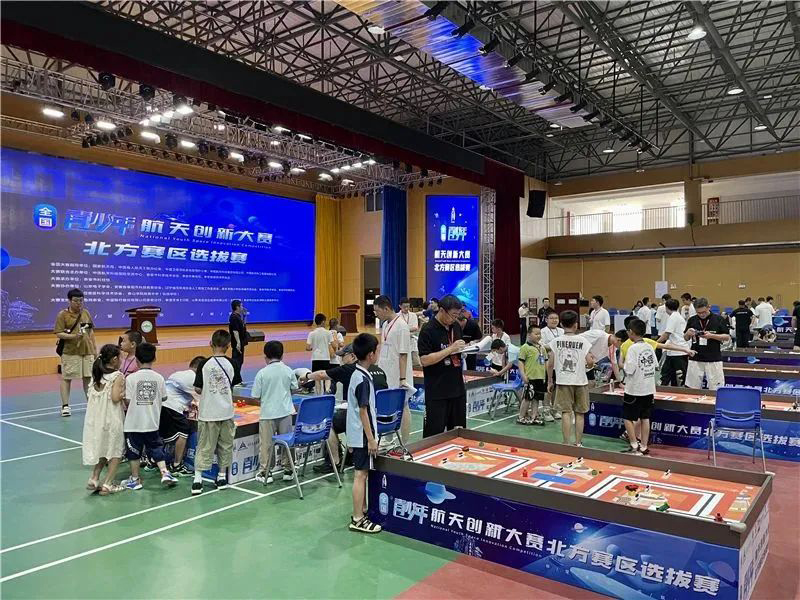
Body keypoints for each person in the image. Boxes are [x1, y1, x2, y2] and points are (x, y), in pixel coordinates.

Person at [308, 345, 387, 474]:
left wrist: (306, 376)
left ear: (353, 356)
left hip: (367, 421)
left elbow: (322, 374)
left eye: (343, 356)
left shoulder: (351, 370)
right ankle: (350, 455)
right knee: (346, 416)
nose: (340, 360)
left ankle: (334, 462)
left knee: (329, 422)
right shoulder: (380, 371)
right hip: (384, 419)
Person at [121, 343, 178, 490]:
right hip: (152, 422)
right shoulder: (159, 378)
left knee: (134, 451)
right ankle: (165, 473)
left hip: (134, 424)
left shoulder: (131, 378)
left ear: (137, 360)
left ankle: (135, 479)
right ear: (154, 358)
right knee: (156, 447)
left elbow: (127, 400)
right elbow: (164, 398)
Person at [192, 330, 236, 495]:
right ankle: (222, 476)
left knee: (204, 446)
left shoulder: (204, 364)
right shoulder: (233, 363)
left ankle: (198, 480)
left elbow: (198, 388)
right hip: (226, 412)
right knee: (226, 445)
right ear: (229, 345)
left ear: (211, 344)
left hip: (208, 412)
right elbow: (232, 385)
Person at [346, 333, 382, 534]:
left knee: (363, 474)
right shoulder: (362, 379)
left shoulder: (360, 374)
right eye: (377, 350)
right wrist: (371, 439)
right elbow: (363, 411)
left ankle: (363, 510)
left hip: (358, 434)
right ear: (370, 355)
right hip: (362, 435)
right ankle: (358, 519)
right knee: (360, 475)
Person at [417, 295, 466, 437]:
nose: (455, 319)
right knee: (434, 434)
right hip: (437, 391)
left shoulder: (455, 326)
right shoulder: (428, 330)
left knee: (458, 433)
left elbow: (456, 349)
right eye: (453, 315)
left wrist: (464, 350)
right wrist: (450, 349)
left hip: (457, 388)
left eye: (457, 315)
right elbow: (425, 360)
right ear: (442, 310)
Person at [546, 310, 595, 447]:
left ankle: (566, 443)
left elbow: (550, 364)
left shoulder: (555, 341)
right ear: (576, 325)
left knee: (566, 413)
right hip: (580, 382)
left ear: (561, 324)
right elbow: (590, 361)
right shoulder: (583, 341)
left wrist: (550, 381)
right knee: (580, 413)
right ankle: (578, 443)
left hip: (563, 382)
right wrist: (588, 365)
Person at [252, 341, 299, 485]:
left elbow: (256, 395)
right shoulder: (288, 370)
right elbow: (294, 388)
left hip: (267, 414)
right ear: (282, 355)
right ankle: (289, 469)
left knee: (266, 445)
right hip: (286, 412)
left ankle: (266, 472)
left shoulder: (262, 373)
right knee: (287, 442)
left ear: (265, 356)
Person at [82, 344, 126, 495]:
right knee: (115, 452)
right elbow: (115, 398)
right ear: (114, 360)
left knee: (102, 448)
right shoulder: (117, 376)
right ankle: (108, 484)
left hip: (96, 419)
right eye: (120, 357)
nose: (121, 360)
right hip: (112, 418)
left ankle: (94, 478)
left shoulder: (97, 374)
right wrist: (124, 393)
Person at [373, 295, 413, 441]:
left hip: (399, 374)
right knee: (388, 406)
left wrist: (402, 379)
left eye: (377, 311)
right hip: (386, 372)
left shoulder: (401, 326)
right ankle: (388, 440)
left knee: (403, 405)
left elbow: (403, 354)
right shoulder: (385, 325)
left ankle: (405, 442)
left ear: (386, 309)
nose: (376, 314)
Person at [53, 288, 96, 417]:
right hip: (70, 351)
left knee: (88, 377)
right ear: (69, 301)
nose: (79, 303)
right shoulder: (62, 315)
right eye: (76, 301)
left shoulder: (86, 313)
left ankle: (91, 404)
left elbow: (91, 332)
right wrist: (73, 336)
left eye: (81, 301)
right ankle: (65, 406)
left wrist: (94, 350)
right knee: (67, 378)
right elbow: (58, 333)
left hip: (87, 350)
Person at [161, 356, 204, 475]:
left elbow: (178, 393)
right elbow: (202, 400)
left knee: (163, 435)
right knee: (183, 432)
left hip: (160, 406)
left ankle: (154, 460)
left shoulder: (177, 373)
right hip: (172, 408)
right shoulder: (194, 378)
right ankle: (177, 465)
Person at [621, 319, 657, 456]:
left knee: (628, 417)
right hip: (648, 388)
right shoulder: (649, 346)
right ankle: (644, 446)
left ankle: (634, 444)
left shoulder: (633, 348)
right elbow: (655, 365)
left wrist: (623, 365)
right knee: (645, 418)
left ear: (631, 332)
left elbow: (629, 370)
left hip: (634, 389)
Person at [684, 298, 731, 391]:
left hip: (713, 358)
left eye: (704, 312)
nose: (702, 315)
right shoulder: (692, 320)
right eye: (699, 313)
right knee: (692, 388)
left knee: (716, 388)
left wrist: (711, 336)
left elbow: (727, 337)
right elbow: (686, 338)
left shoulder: (718, 319)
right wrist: (688, 333)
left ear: (709, 307)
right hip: (695, 357)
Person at [518, 325, 548, 425]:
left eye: (539, 334)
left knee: (537, 398)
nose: (538, 336)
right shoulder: (525, 347)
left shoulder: (542, 348)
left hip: (541, 377)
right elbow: (521, 362)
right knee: (527, 398)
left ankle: (534, 417)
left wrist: (546, 375)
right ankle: (521, 417)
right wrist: (523, 374)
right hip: (530, 377)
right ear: (529, 335)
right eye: (536, 334)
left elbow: (546, 361)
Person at [658, 299, 691, 386]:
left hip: (678, 351)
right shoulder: (677, 316)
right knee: (668, 374)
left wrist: (655, 343)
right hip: (675, 350)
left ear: (666, 308)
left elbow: (666, 334)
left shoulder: (673, 317)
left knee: (677, 377)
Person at [307, 313, 334, 394]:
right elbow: (333, 344)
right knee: (327, 376)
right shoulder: (328, 333)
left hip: (315, 358)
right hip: (325, 357)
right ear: (323, 322)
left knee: (317, 378)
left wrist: (313, 348)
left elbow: (308, 347)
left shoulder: (311, 333)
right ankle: (327, 390)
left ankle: (318, 395)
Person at [228, 300, 248, 387]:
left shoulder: (238, 317)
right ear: (237, 307)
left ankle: (237, 380)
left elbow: (243, 326)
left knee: (240, 361)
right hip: (237, 344)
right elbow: (235, 331)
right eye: (241, 306)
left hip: (241, 342)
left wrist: (245, 316)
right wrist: (238, 343)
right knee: (236, 362)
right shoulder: (234, 317)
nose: (242, 307)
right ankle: (235, 381)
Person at [399, 298, 421, 368]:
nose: (406, 308)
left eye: (408, 306)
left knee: (416, 362)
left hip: (412, 340)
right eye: (404, 307)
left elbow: (415, 328)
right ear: (400, 306)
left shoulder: (413, 315)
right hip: (401, 341)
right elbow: (397, 329)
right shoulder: (397, 316)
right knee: (403, 362)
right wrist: (408, 329)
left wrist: (404, 329)